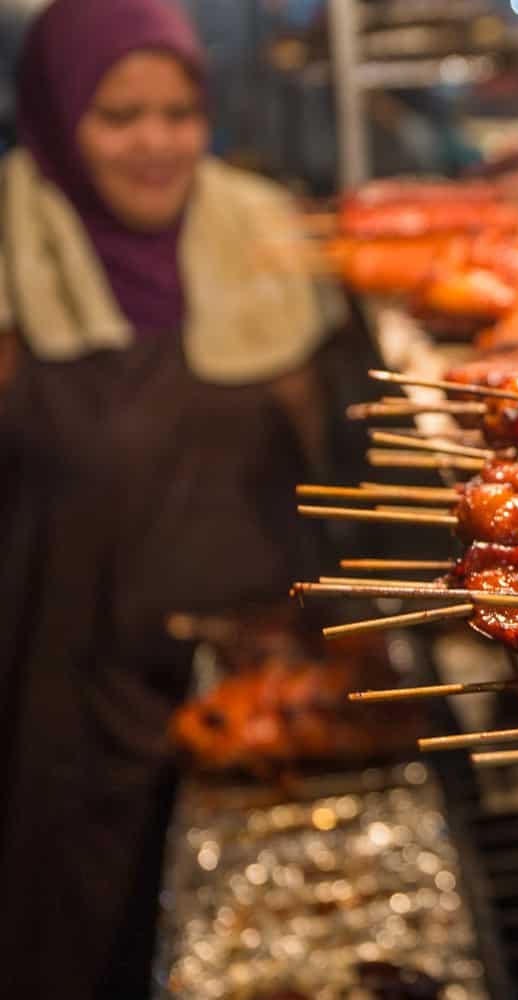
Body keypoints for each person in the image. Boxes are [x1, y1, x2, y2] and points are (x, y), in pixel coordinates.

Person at [0, 0, 342, 995]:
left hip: (257, 692)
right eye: (118, 115)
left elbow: (341, 462)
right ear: (58, 117)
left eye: (178, 112)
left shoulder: (264, 232)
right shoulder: (13, 249)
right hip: (61, 709)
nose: (157, 145)